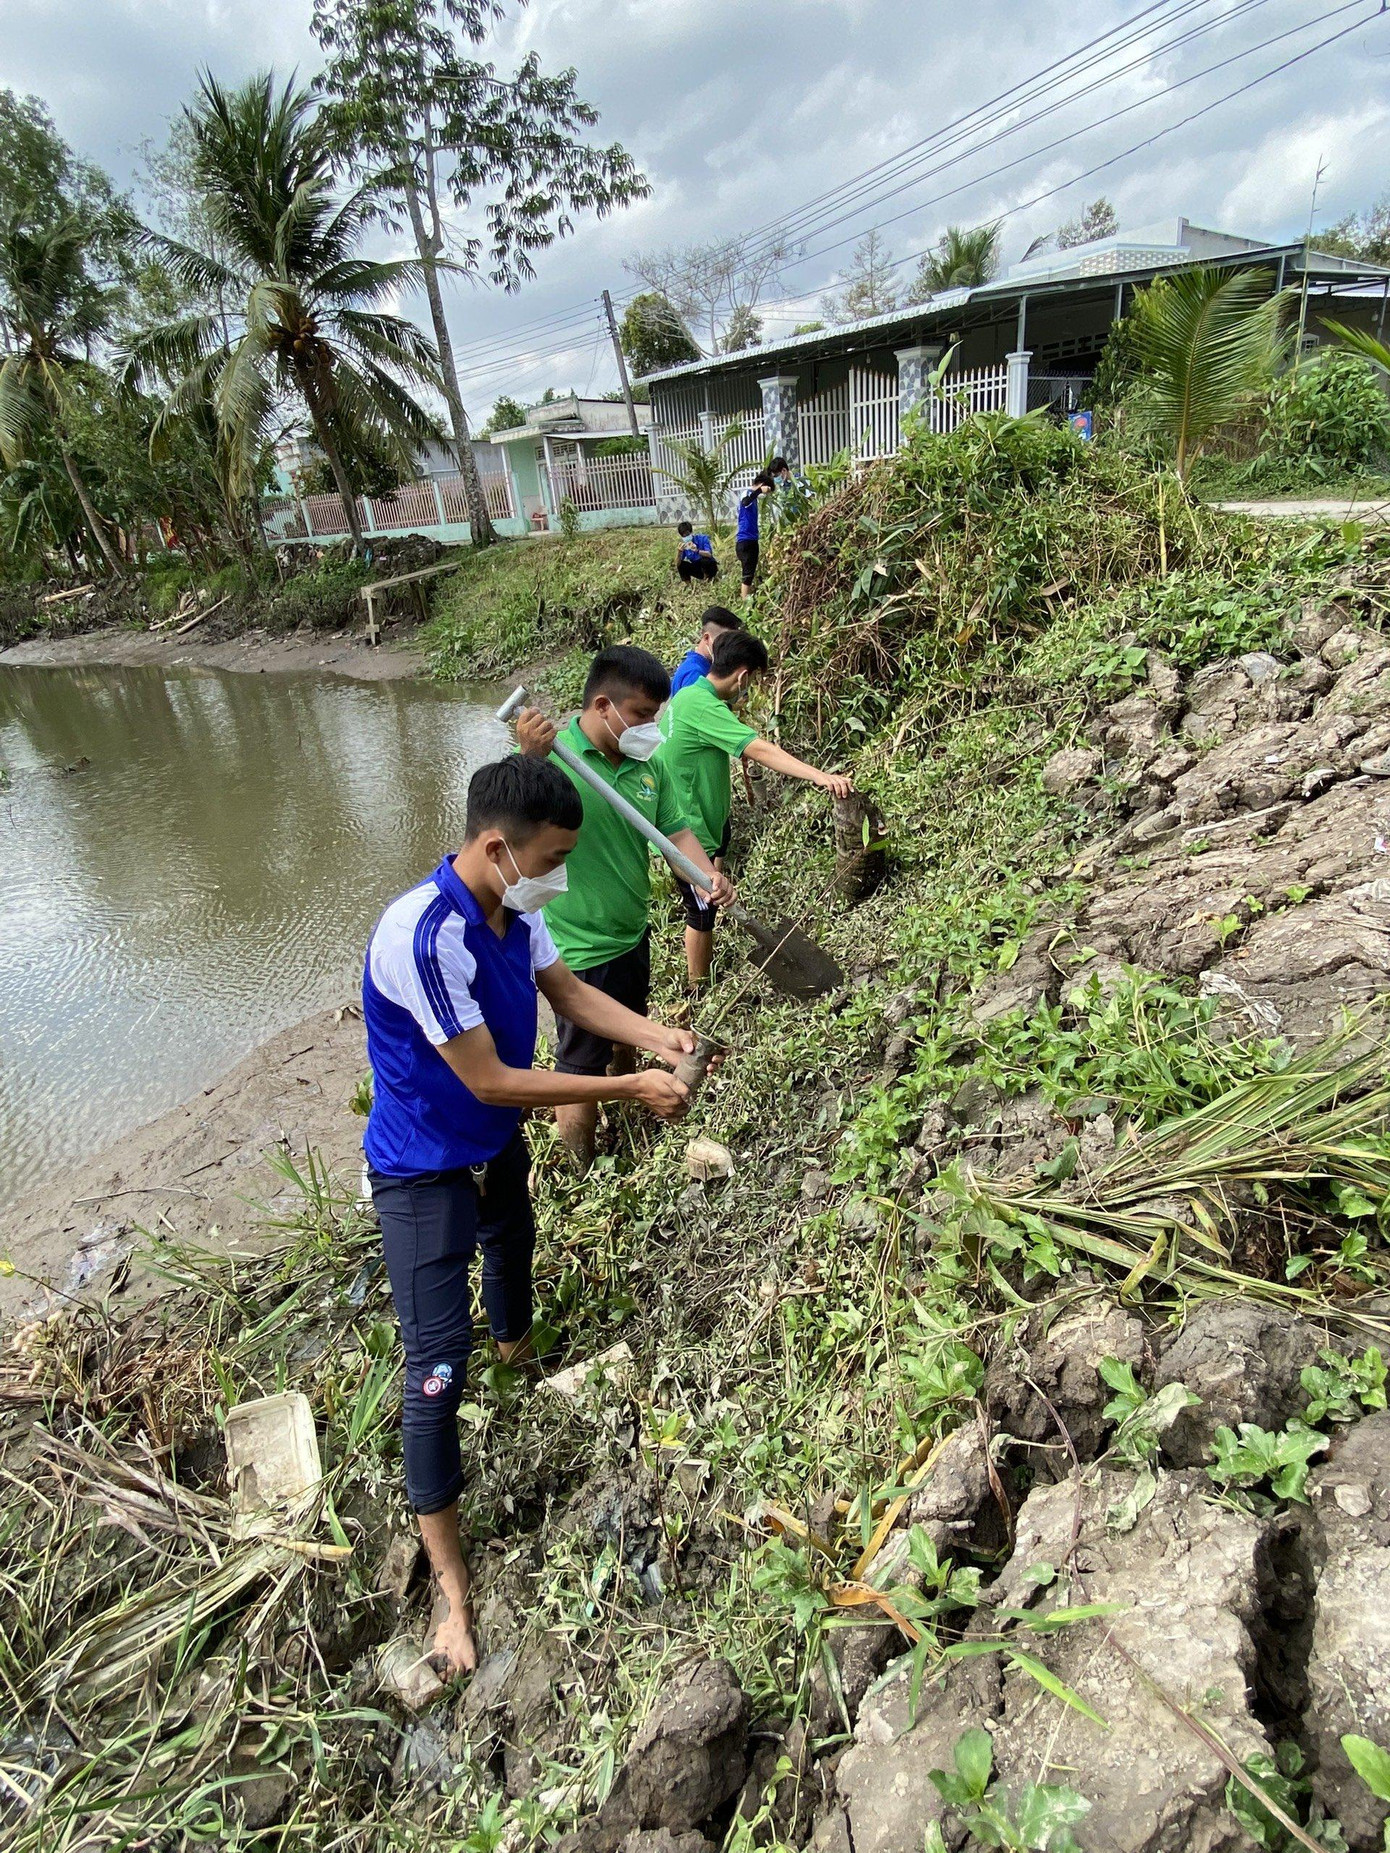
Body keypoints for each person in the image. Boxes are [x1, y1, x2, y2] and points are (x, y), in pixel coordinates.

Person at [363, 755, 697, 1677]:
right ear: (497, 847)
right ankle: (451, 1589)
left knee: (514, 1244)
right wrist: (628, 1083)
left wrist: (652, 1032)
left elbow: (571, 995)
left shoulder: (519, 908)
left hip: (493, 1145)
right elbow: (492, 1078)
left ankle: (518, 1360)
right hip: (424, 1168)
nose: (558, 873)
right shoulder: (425, 937)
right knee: (432, 1368)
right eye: (551, 856)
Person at [513, 646, 735, 1168]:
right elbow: (514, 829)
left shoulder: (647, 764)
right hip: (578, 947)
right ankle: (582, 1167)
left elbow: (676, 836)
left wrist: (707, 879)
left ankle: (630, 1118)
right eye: (639, 715)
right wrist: (529, 762)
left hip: (632, 932)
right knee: (579, 1073)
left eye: (654, 716)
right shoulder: (555, 760)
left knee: (627, 1033)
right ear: (603, 706)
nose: (648, 727)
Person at [657, 629, 853, 985]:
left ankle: (700, 979)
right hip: (688, 831)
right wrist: (820, 776)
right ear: (743, 675)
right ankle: (698, 989)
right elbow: (761, 750)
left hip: (695, 820)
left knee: (707, 905)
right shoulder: (703, 706)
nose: (751, 690)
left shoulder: (689, 695)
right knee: (700, 912)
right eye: (754, 681)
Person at [670, 605, 742, 697]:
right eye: (723, 641)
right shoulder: (695, 675)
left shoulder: (702, 665)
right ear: (706, 638)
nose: (728, 647)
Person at [734, 470, 775, 599]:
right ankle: (744, 602)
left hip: (751, 539)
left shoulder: (754, 498)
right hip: (745, 540)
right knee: (747, 573)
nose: (766, 494)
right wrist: (759, 491)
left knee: (750, 571)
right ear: (762, 485)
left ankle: (747, 596)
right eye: (767, 491)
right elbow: (745, 502)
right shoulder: (748, 494)